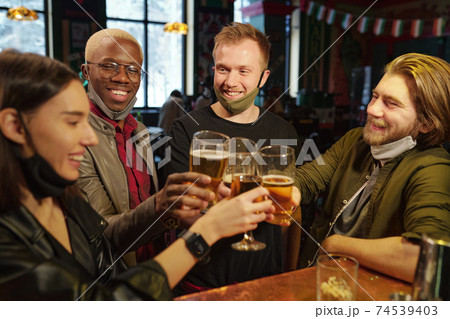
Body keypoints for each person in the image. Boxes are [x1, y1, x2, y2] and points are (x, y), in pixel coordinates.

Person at [0, 50, 275, 300]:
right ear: (15, 126)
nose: (89, 138)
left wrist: (167, 210)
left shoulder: (60, 194)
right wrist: (206, 232)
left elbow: (106, 256)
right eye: (72, 122)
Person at [165, 22, 301, 295]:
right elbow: (177, 213)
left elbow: (288, 217)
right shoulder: (186, 128)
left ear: (263, 78)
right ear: (213, 70)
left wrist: (289, 272)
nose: (230, 82)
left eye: (244, 71)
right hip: (200, 281)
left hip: (265, 281)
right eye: (223, 69)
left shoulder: (283, 131)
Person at [296, 53, 450, 283]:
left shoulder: (434, 168)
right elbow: (306, 179)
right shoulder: (354, 140)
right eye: (375, 97)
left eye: (391, 103)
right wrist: (281, 191)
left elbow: (426, 259)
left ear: (427, 124)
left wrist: (336, 244)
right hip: (316, 282)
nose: (372, 109)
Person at [78, 29, 211, 264]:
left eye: (133, 70)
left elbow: (146, 207)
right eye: (109, 66)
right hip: (114, 283)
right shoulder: (74, 135)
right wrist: (162, 205)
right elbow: (101, 235)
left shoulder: (138, 130)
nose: (122, 78)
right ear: (86, 71)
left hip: (153, 269)